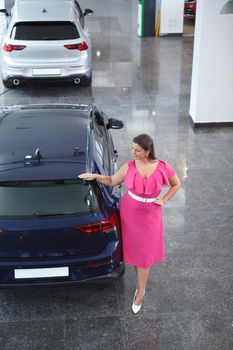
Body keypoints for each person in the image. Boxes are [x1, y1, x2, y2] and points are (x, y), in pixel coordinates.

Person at [79, 134, 181, 314]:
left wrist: (164, 200)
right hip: (130, 212)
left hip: (151, 213)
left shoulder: (163, 167)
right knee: (136, 252)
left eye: (137, 150)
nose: (133, 152)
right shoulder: (130, 166)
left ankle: (140, 291)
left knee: (144, 256)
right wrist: (94, 176)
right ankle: (140, 288)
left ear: (147, 151)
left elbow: (176, 184)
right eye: (132, 149)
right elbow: (111, 181)